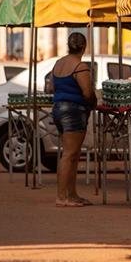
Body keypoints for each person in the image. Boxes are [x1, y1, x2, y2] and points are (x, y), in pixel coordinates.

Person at [49, 32, 97, 207]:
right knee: (69, 155)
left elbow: (51, 87)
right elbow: (87, 92)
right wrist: (93, 102)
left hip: (58, 109)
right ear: (84, 47)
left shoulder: (58, 64)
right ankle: (62, 197)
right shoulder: (80, 66)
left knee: (73, 154)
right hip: (73, 110)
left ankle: (72, 194)